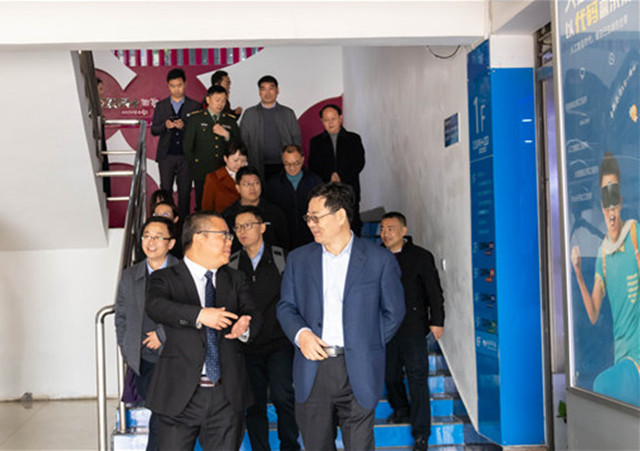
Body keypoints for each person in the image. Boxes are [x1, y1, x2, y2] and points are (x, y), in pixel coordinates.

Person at [276, 183, 405, 450]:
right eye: (308, 217)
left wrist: (366, 342)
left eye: (316, 217)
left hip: (358, 367)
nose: (311, 224)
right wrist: (301, 335)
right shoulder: (299, 259)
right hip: (313, 367)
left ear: (341, 216)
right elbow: (286, 307)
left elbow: (394, 312)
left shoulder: (379, 260)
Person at [145, 211, 260, 449]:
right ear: (199, 238)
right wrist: (199, 315)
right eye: (224, 235)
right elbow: (156, 307)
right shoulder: (165, 278)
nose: (230, 241)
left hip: (227, 395)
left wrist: (246, 325)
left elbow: (253, 312)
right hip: (178, 394)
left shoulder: (236, 278)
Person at [571, 151, 640, 406]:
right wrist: (579, 275)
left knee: (603, 388)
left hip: (636, 357)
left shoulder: (634, 233)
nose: (611, 210)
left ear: (621, 200)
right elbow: (593, 314)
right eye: (605, 199)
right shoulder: (602, 252)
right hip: (620, 354)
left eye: (614, 197)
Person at [228, 206, 300, 451]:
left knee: (283, 396)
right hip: (247, 346)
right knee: (253, 403)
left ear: (262, 227)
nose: (242, 231)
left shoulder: (282, 259)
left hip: (279, 342)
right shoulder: (232, 264)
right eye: (238, 227)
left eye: (248, 225)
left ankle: (289, 446)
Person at [380, 212, 445, 450]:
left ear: (404, 231)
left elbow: (434, 291)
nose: (385, 233)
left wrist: (437, 321)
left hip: (413, 327)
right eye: (382, 229)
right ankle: (401, 409)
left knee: (418, 379)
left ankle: (421, 433)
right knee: (390, 375)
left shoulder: (420, 256)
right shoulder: (375, 256)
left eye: (391, 228)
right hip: (385, 328)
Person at [115, 216, 178, 451]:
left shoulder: (182, 272)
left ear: (171, 243)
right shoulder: (130, 275)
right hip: (143, 360)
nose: (150, 242)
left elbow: (190, 312)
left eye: (158, 237)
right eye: (147, 236)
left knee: (164, 414)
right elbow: (121, 317)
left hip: (175, 356)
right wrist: (127, 349)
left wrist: (162, 335)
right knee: (160, 413)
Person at [151, 68, 201, 220]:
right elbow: (154, 129)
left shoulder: (195, 106)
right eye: (172, 86)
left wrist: (184, 126)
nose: (176, 89)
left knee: (185, 192)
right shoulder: (161, 106)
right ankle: (164, 221)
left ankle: (183, 223)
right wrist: (165, 126)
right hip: (166, 156)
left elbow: (199, 131)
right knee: (165, 191)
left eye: (179, 85)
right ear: (168, 86)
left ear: (185, 84)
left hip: (186, 156)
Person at [308, 105, 366, 235]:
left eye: (333, 119)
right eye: (326, 120)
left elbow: (359, 163)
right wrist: (329, 176)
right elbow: (313, 165)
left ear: (340, 118)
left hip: (349, 187)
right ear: (322, 121)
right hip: (326, 189)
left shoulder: (353, 139)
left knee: (352, 222)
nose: (330, 123)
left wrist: (341, 176)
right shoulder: (316, 142)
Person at [184, 85, 240, 212]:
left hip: (223, 171)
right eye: (217, 100)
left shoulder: (230, 120)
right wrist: (196, 165)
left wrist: (226, 135)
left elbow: (238, 145)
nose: (220, 104)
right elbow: (188, 147)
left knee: (224, 205)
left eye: (223, 101)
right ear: (208, 100)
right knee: (203, 206)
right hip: (201, 170)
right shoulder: (196, 119)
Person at [240, 75, 301, 180]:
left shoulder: (288, 113)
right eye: (263, 89)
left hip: (284, 165)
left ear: (277, 90)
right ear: (259, 92)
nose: (267, 93)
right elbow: (243, 141)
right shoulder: (249, 114)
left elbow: (296, 140)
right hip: (257, 166)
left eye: (271, 88)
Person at [265, 145, 323, 248]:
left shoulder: (315, 182)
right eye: (287, 164)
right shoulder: (273, 184)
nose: (292, 168)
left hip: (311, 236)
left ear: (303, 159)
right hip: (283, 239)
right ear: (282, 161)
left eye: (296, 163)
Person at [224, 166, 290, 251]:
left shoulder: (275, 213)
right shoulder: (228, 215)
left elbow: (284, 244)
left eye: (256, 183)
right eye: (247, 184)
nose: (252, 188)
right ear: (238, 188)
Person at [201, 141, 247, 213]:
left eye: (243, 161)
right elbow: (207, 209)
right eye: (235, 160)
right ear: (225, 158)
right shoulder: (213, 178)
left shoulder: (250, 176)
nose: (239, 164)